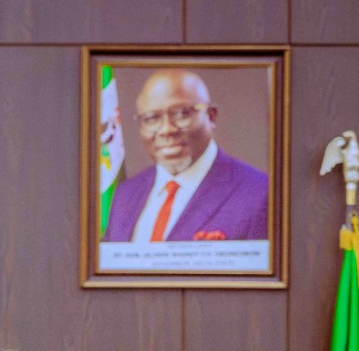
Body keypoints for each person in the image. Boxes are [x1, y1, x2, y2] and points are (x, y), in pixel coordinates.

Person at [102, 68, 268, 243]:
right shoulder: (124, 195)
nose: (167, 129)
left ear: (210, 116)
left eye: (182, 114)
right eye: (151, 118)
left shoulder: (259, 194)